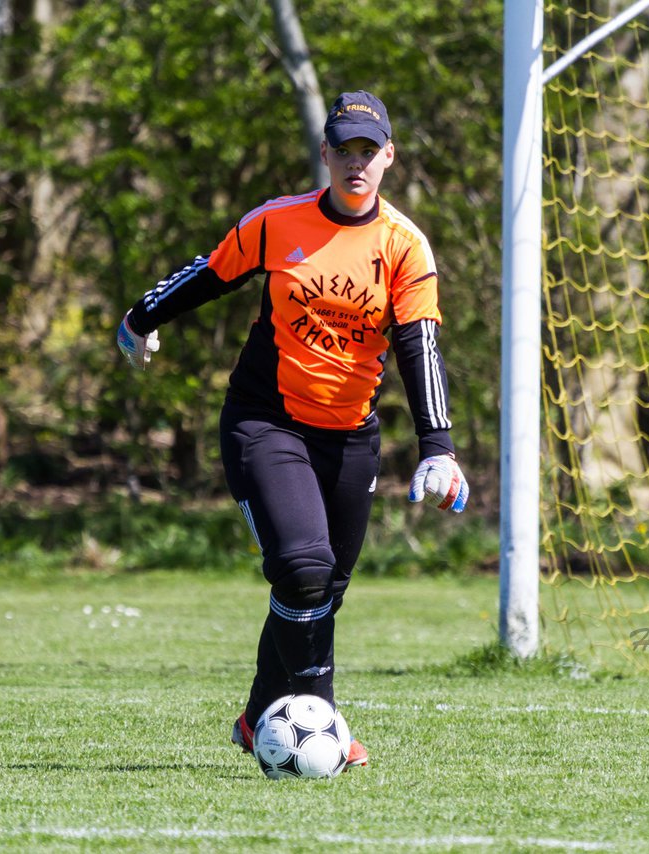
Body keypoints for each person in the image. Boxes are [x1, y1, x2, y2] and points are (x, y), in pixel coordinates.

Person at [116, 90, 468, 770]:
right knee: (304, 569)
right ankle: (320, 717)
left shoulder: (404, 246)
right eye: (344, 150)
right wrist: (140, 317)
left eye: (369, 151)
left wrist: (438, 447)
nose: (356, 163)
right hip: (266, 421)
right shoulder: (277, 224)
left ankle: (258, 718)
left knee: (322, 585)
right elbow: (209, 274)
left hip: (350, 436)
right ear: (325, 154)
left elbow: (419, 344)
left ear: (389, 156)